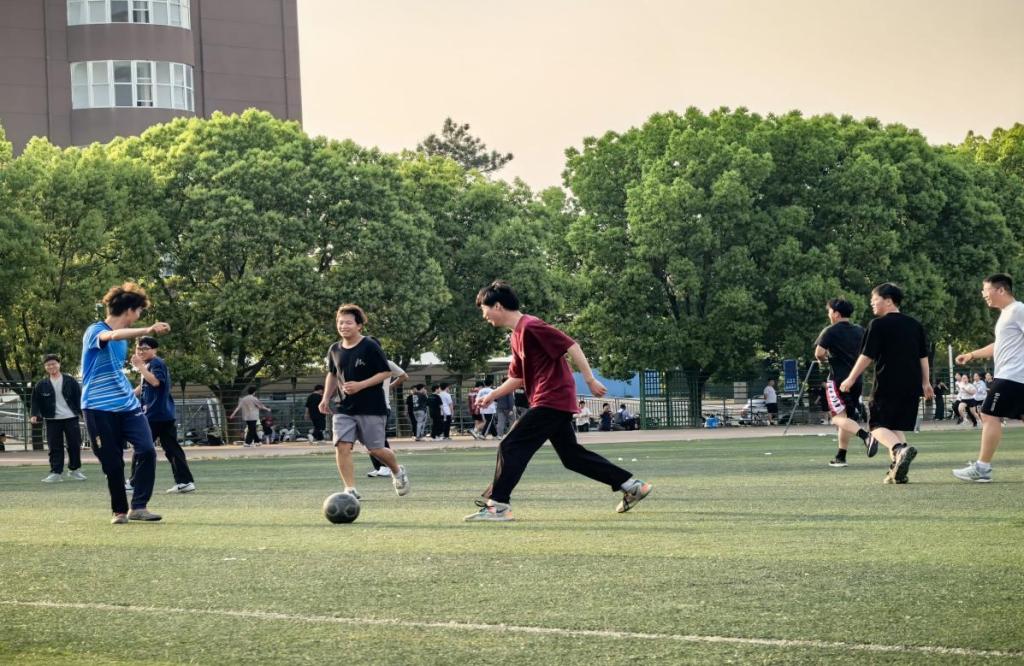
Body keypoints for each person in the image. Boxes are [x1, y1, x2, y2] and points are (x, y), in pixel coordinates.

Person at [465, 280, 651, 522]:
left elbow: (571, 345)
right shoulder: (516, 336)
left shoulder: (531, 326)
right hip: (551, 400)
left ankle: (498, 505)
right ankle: (631, 486)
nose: (484, 315)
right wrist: (492, 395)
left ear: (497, 306)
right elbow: (518, 377)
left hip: (551, 398)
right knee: (571, 456)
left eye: (484, 309)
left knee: (511, 445)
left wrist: (590, 379)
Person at [80, 282, 169, 524]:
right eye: (139, 311)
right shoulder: (95, 330)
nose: (139, 316)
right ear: (130, 310)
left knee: (147, 450)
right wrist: (148, 329)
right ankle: (119, 511)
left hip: (127, 406)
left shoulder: (124, 340)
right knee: (112, 462)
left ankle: (139, 506)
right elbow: (111, 335)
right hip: (98, 407)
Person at [840, 283, 933, 484]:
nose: (872, 303)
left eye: (875, 300)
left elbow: (867, 355)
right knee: (895, 426)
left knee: (876, 426)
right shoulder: (915, 325)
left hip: (888, 381)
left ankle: (899, 450)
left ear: (889, 301)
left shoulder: (878, 324)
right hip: (912, 384)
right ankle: (896, 470)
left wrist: (851, 378)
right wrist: (926, 383)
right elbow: (923, 357)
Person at [317, 304, 409, 499]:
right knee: (342, 445)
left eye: (348, 322)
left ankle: (397, 470)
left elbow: (385, 372)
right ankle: (350, 489)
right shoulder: (334, 349)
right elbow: (332, 374)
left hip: (371, 407)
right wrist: (325, 398)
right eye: (340, 322)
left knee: (375, 449)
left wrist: (360, 385)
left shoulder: (370, 346)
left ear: (359, 325)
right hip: (344, 407)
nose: (343, 326)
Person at [953, 274, 1024, 482]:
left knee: (988, 414)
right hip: (1013, 376)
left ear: (1000, 290)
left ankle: (982, 468)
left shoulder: (1018, 310)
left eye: (986, 289)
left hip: (1012, 375)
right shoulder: (1006, 314)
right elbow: (999, 345)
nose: (983, 294)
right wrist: (972, 354)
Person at [813, 298, 877, 467]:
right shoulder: (860, 330)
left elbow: (819, 353)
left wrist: (824, 360)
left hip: (838, 380)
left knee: (837, 418)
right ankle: (841, 456)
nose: (829, 314)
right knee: (846, 418)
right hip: (856, 379)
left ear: (836, 313)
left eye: (829, 311)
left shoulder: (830, 331)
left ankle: (866, 436)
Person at [129, 336, 195, 494]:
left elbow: (156, 382)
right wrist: (130, 395)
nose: (141, 351)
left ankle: (134, 483)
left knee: (141, 447)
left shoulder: (156, 363)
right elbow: (145, 384)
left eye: (145, 348)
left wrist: (140, 368)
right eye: (139, 348)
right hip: (163, 414)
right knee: (172, 449)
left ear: (154, 350)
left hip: (155, 414)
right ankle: (185, 482)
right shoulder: (149, 365)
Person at [30, 354, 85, 483]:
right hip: (52, 419)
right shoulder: (41, 384)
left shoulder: (70, 381)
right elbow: (35, 401)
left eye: (54, 364)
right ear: (45, 367)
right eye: (48, 365)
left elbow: (79, 398)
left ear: (59, 364)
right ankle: (56, 472)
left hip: (71, 417)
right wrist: (34, 414)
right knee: (54, 446)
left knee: (74, 444)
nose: (51, 366)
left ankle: (74, 469)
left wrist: (84, 414)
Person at [366, 356, 408, 478]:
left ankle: (388, 467)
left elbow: (404, 376)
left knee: (379, 438)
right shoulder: (361, 363)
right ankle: (379, 467)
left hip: (381, 406)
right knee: (368, 440)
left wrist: (390, 386)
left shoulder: (387, 363)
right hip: (365, 407)